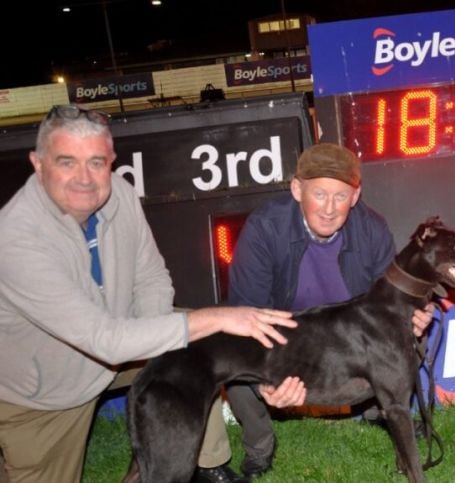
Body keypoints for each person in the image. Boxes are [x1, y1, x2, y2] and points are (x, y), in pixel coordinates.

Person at [0, 104, 307, 483]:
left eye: (97, 162)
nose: (84, 178)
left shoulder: (120, 195)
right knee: (201, 325)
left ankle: (201, 463)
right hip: (44, 393)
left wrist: (164, 347)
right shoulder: (15, 238)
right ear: (38, 162)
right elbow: (104, 340)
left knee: (200, 343)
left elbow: (151, 277)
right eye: (67, 162)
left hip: (118, 341)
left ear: (112, 160)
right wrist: (215, 317)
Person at [225, 143, 434, 479]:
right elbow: (247, 314)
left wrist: (416, 314)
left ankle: (381, 411)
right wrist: (263, 382)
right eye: (319, 194)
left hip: (345, 334)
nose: (329, 209)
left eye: (340, 196)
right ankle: (259, 446)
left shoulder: (372, 228)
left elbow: (392, 303)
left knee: (410, 336)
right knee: (232, 358)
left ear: (355, 196)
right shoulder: (264, 228)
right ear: (297, 189)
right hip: (287, 334)